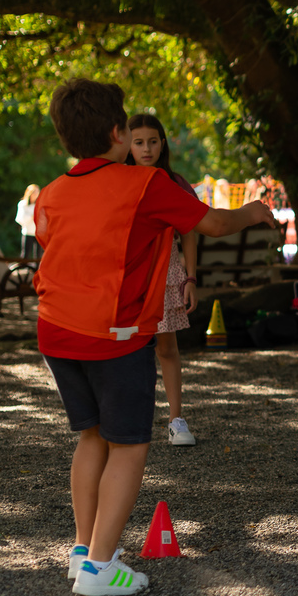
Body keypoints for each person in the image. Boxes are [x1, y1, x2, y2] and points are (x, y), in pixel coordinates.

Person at [36, 78, 274, 596]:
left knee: (91, 437)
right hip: (114, 334)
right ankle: (100, 569)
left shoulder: (51, 193)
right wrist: (254, 211)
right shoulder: (144, 184)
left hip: (56, 332)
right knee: (129, 446)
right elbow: (209, 223)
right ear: (118, 133)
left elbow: (56, 244)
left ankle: (83, 553)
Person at [126, 113, 200, 446]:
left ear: (162, 143)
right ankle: (125, 423)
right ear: (127, 144)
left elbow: (190, 231)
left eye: (153, 141)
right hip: (128, 275)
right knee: (127, 350)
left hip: (167, 272)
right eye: (138, 142)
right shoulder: (119, 180)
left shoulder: (174, 182)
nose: (146, 148)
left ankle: (176, 420)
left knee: (167, 348)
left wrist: (190, 278)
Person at [16, 184, 42, 260]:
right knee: (25, 254)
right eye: (34, 192)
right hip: (27, 232)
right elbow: (20, 218)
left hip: (38, 233)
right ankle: (24, 270)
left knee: (38, 256)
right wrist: (32, 216)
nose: (35, 194)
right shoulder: (23, 204)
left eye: (37, 192)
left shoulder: (40, 204)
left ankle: (36, 270)